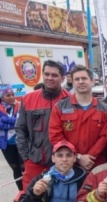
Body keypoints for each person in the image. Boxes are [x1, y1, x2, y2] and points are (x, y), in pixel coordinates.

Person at [16, 60, 70, 190]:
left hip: (63, 161)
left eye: (54, 75)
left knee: (60, 199)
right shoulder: (28, 99)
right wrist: (26, 157)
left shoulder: (70, 100)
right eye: (46, 74)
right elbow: (20, 129)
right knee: (32, 199)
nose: (49, 78)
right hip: (35, 161)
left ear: (62, 78)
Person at [49, 65, 107, 171]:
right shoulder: (60, 107)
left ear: (92, 81)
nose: (81, 81)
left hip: (95, 163)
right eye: (77, 79)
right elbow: (55, 136)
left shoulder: (104, 108)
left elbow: (105, 137)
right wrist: (77, 157)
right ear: (73, 83)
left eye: (84, 78)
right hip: (68, 164)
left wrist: (90, 157)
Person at [0, 84, 24, 192]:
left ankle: (29, 191)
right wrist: (14, 122)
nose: (12, 97)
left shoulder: (20, 105)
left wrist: (5, 120)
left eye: (13, 94)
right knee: (15, 168)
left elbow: (21, 122)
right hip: (6, 144)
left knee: (25, 168)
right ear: (1, 97)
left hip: (21, 142)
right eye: (8, 95)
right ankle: (21, 192)